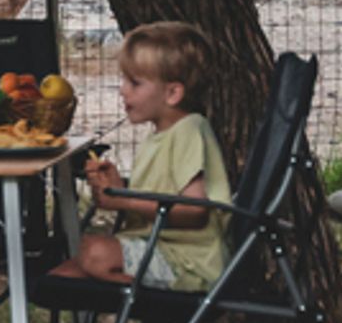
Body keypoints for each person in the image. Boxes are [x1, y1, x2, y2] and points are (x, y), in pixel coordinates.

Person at [72, 21, 232, 288]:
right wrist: (119, 190)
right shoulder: (161, 135)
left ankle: (135, 295)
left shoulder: (189, 130)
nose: (123, 89)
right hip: (160, 249)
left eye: (134, 82)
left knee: (93, 252)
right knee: (71, 265)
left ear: (172, 93)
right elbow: (159, 194)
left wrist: (124, 202)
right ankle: (125, 292)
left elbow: (195, 211)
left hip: (188, 261)